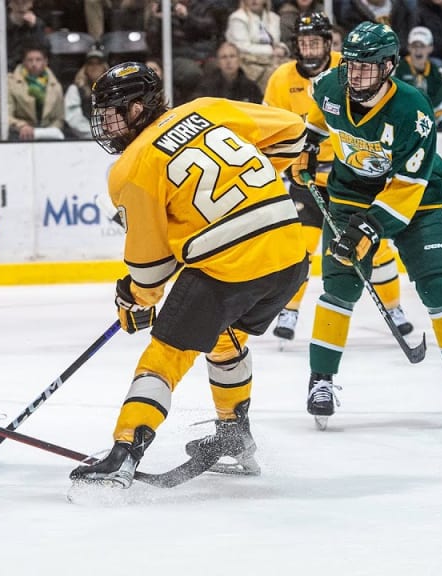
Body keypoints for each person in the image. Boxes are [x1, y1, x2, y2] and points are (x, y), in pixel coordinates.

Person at [69, 62, 310, 487]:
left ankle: (124, 453)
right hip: (291, 253)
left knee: (165, 356)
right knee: (225, 338)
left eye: (109, 114)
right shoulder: (205, 108)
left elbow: (150, 268)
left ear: (136, 109)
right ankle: (234, 436)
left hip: (230, 267)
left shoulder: (131, 167)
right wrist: (245, 193)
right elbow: (292, 131)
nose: (104, 125)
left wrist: (134, 298)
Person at [294, 21, 442, 429]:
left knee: (440, 287)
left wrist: (369, 228)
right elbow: (320, 110)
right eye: (351, 65)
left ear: (388, 67)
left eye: (365, 67)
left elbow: (406, 188)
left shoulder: (413, 110)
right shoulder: (331, 84)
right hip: (351, 195)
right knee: (339, 288)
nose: (355, 75)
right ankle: (321, 381)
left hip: (418, 199)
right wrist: (310, 143)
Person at [265, 12, 413, 344]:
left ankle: (394, 307)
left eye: (315, 42)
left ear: (328, 43)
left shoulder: (347, 69)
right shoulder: (280, 78)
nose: (309, 49)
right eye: (303, 43)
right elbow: (271, 128)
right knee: (300, 247)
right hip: (306, 177)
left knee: (373, 245)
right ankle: (289, 310)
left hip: (350, 177)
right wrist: (286, 164)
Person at [394, 26, 442, 129]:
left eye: (422, 46)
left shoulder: (438, 73)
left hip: (429, 126)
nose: (418, 50)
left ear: (430, 48)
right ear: (408, 47)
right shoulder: (396, 70)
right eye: (414, 46)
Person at [225, 0, 289, 89]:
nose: (254, 0)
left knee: (293, 68)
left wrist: (282, 48)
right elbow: (241, 46)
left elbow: (276, 42)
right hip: (247, 61)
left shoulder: (274, 17)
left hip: (272, 58)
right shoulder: (237, 18)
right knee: (274, 74)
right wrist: (271, 50)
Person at [6, 44, 65, 140]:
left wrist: (49, 131)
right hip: (19, 135)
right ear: (24, 62)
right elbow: (5, 115)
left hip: (48, 136)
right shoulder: (10, 83)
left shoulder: (55, 86)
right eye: (30, 60)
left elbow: (59, 118)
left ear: (45, 62)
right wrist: (22, 126)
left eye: (38, 60)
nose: (34, 64)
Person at [193, 41, 264, 102]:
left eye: (232, 56)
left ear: (239, 60)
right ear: (218, 62)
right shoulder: (207, 86)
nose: (228, 61)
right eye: (224, 57)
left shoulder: (251, 88)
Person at [64, 45, 109, 139]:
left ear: (104, 67)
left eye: (98, 63)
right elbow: (74, 119)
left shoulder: (112, 90)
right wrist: (96, 134)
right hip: (83, 140)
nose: (94, 67)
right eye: (91, 63)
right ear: (85, 68)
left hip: (110, 137)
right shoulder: (75, 89)